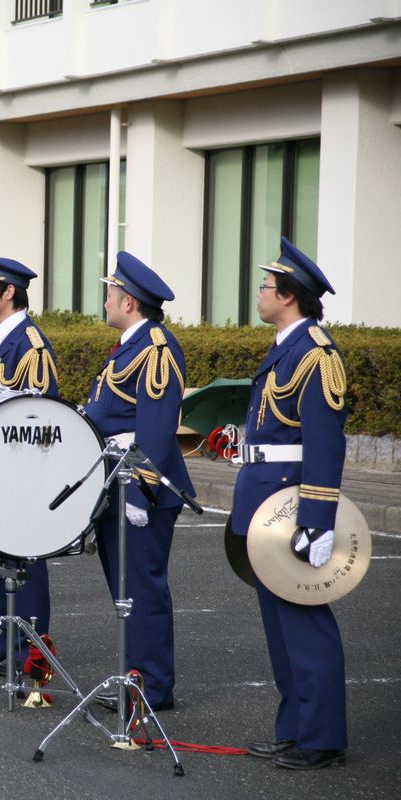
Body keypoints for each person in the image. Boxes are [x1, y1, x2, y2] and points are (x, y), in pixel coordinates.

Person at [231, 237, 349, 770]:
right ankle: (295, 726)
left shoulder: (316, 354)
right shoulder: (287, 344)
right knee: (279, 626)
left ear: (289, 295)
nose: (259, 293)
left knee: (304, 622)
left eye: (266, 286)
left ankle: (321, 735)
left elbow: (325, 444)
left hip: (291, 501)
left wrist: (317, 523)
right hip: (264, 496)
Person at [84, 251, 193, 713]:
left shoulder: (155, 348)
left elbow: (157, 424)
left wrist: (143, 490)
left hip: (138, 486)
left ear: (128, 302)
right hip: (117, 478)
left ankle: (152, 686)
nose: (105, 301)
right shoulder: (132, 344)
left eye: (110, 294)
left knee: (143, 591)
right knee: (125, 591)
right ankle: (136, 677)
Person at [0, 253, 60, 674]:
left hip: (21, 474)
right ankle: (10, 641)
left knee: (24, 561)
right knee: (1, 559)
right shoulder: (4, 338)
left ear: (10, 292)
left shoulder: (30, 344)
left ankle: (31, 649)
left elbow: (41, 420)